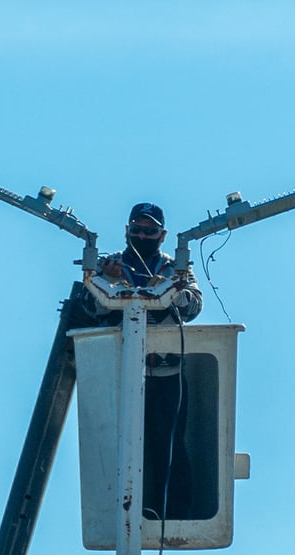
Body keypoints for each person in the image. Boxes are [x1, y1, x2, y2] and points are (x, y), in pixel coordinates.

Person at [95, 201, 204, 521]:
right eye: (137, 230)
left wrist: (172, 291)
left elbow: (194, 306)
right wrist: (111, 283)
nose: (143, 236)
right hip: (125, 372)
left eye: (150, 231)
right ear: (127, 230)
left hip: (165, 373)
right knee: (127, 446)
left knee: (168, 446)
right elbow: (94, 308)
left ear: (162, 234)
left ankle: (174, 513)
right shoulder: (110, 265)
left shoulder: (174, 268)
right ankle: (129, 511)